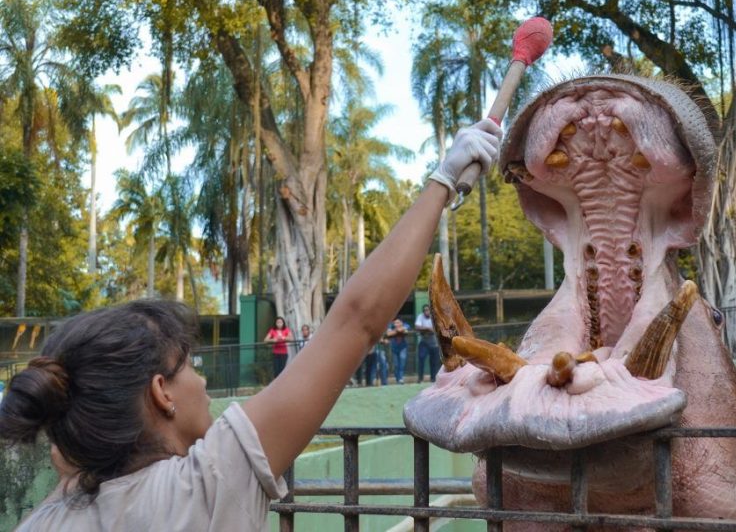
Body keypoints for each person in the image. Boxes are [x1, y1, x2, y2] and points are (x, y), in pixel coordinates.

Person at [0, 118, 500, 531]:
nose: (201, 380)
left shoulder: (41, 521)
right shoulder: (202, 487)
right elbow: (356, 322)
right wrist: (443, 180)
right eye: (190, 366)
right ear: (162, 393)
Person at [415, 304, 441, 383]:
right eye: (425, 310)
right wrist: (428, 328)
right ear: (423, 312)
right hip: (424, 343)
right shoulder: (420, 317)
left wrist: (425, 330)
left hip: (434, 343)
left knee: (434, 362)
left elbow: (437, 329)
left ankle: (433, 379)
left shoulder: (435, 317)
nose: (427, 312)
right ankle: (420, 378)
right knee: (421, 360)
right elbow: (417, 327)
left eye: (428, 310)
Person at [386, 318, 409, 384]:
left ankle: (401, 378)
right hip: (394, 348)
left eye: (398, 322)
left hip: (403, 348)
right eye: (395, 323)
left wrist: (395, 331)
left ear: (401, 323)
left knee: (402, 363)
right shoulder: (390, 326)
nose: (397, 324)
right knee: (396, 365)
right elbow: (388, 334)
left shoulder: (406, 325)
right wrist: (397, 330)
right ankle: (397, 379)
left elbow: (405, 330)